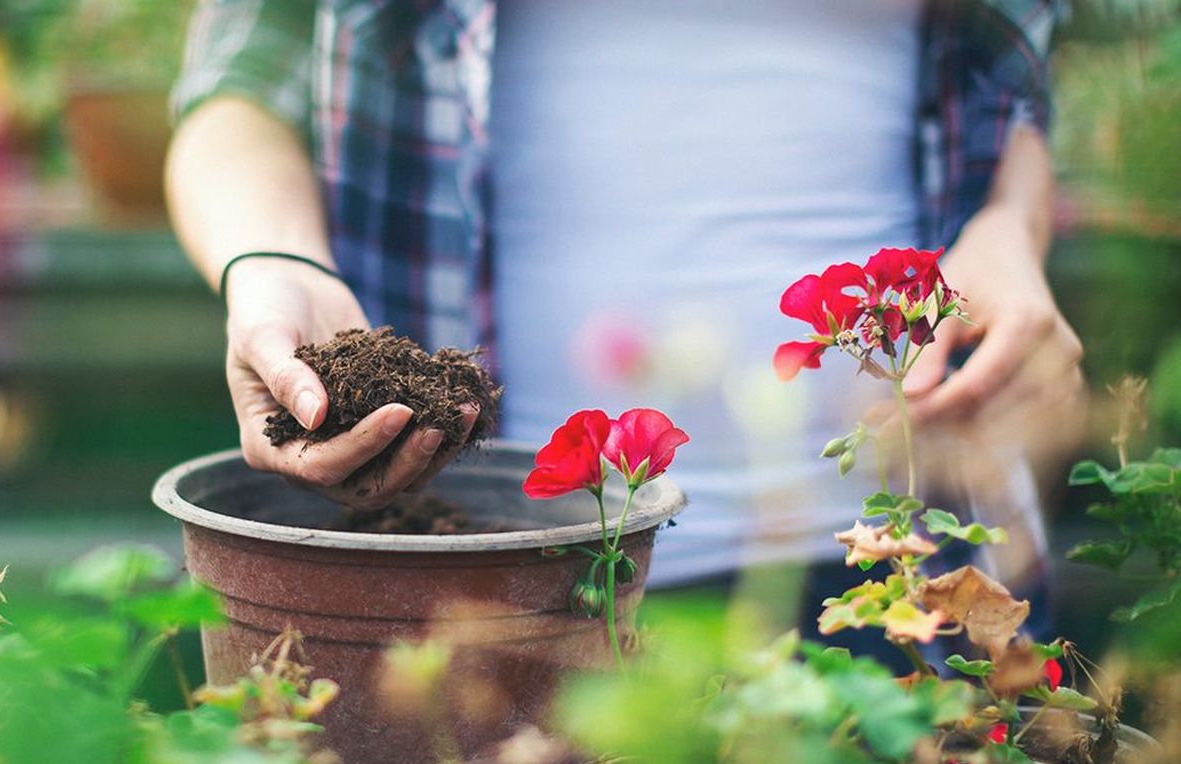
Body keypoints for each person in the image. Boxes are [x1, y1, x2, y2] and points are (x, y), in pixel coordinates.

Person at [164, 0, 1084, 599]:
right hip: (498, 576)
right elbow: (239, 88)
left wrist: (1009, 231)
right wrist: (270, 259)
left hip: (915, 561)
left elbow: (1006, 97)